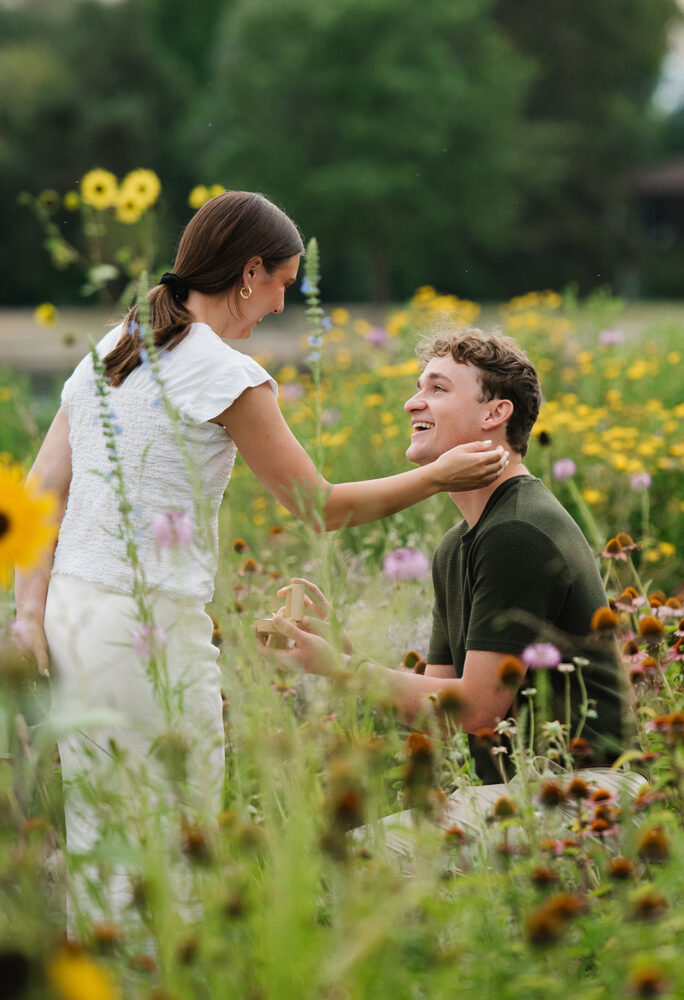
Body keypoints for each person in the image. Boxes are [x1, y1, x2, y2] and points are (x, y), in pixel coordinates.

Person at [14, 192, 507, 920]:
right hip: (145, 629)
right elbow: (319, 508)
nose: (282, 304)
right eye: (284, 283)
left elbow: (36, 496)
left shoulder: (115, 350)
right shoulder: (223, 372)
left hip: (70, 618)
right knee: (174, 842)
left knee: (102, 832)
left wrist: (28, 617)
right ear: (249, 272)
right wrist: (437, 474)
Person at [260, 327, 638, 846]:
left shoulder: (517, 531)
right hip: (524, 790)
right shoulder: (458, 544)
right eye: (419, 387)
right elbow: (440, 717)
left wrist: (339, 667)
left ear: (494, 414)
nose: (412, 401)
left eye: (437, 388)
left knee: (350, 866)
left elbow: (479, 710)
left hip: (589, 794)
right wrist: (341, 649)